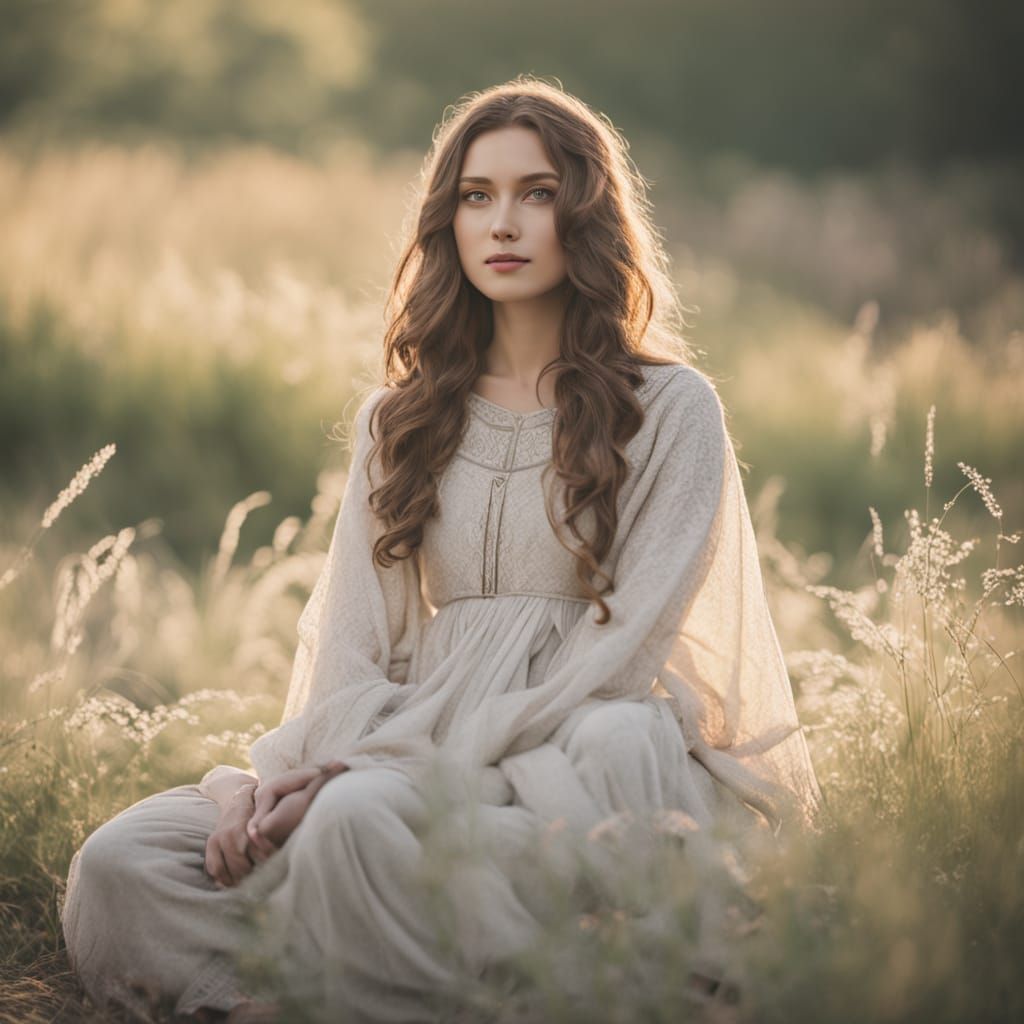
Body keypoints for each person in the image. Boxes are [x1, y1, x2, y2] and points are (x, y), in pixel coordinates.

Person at [60, 76, 822, 1023]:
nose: (503, 222)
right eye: (476, 196)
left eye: (536, 193)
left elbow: (620, 659)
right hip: (397, 738)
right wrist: (320, 765)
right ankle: (305, 987)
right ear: (448, 223)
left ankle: (409, 975)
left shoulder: (671, 410)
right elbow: (348, 643)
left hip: (574, 758)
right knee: (124, 861)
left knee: (358, 824)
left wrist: (392, 776)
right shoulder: (399, 420)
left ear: (585, 215)